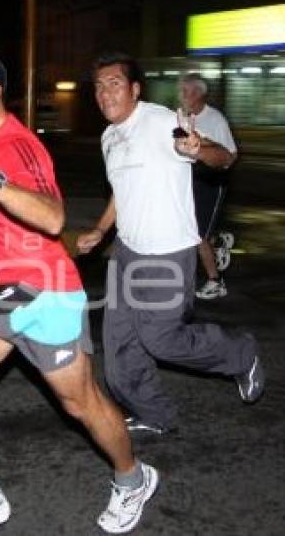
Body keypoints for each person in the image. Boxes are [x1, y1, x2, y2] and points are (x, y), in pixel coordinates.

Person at [0, 48, 157, 535]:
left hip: (43, 297)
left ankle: (133, 479)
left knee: (81, 404)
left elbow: (53, 217)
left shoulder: (16, 146)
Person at [77, 51, 264, 437]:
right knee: (118, 350)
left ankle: (240, 355)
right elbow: (121, 191)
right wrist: (100, 229)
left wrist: (198, 150)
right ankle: (154, 413)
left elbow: (223, 158)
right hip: (127, 253)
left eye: (114, 84)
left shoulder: (164, 122)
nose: (105, 93)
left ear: (134, 89)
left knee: (161, 340)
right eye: (99, 86)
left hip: (167, 254)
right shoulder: (110, 136)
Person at [178, 73, 237, 299]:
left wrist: (205, 151)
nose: (182, 96)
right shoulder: (182, 116)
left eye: (186, 91)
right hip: (191, 179)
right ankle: (219, 241)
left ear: (198, 94)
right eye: (181, 91)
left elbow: (231, 155)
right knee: (193, 227)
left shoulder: (215, 119)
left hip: (212, 182)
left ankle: (216, 281)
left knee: (198, 234)